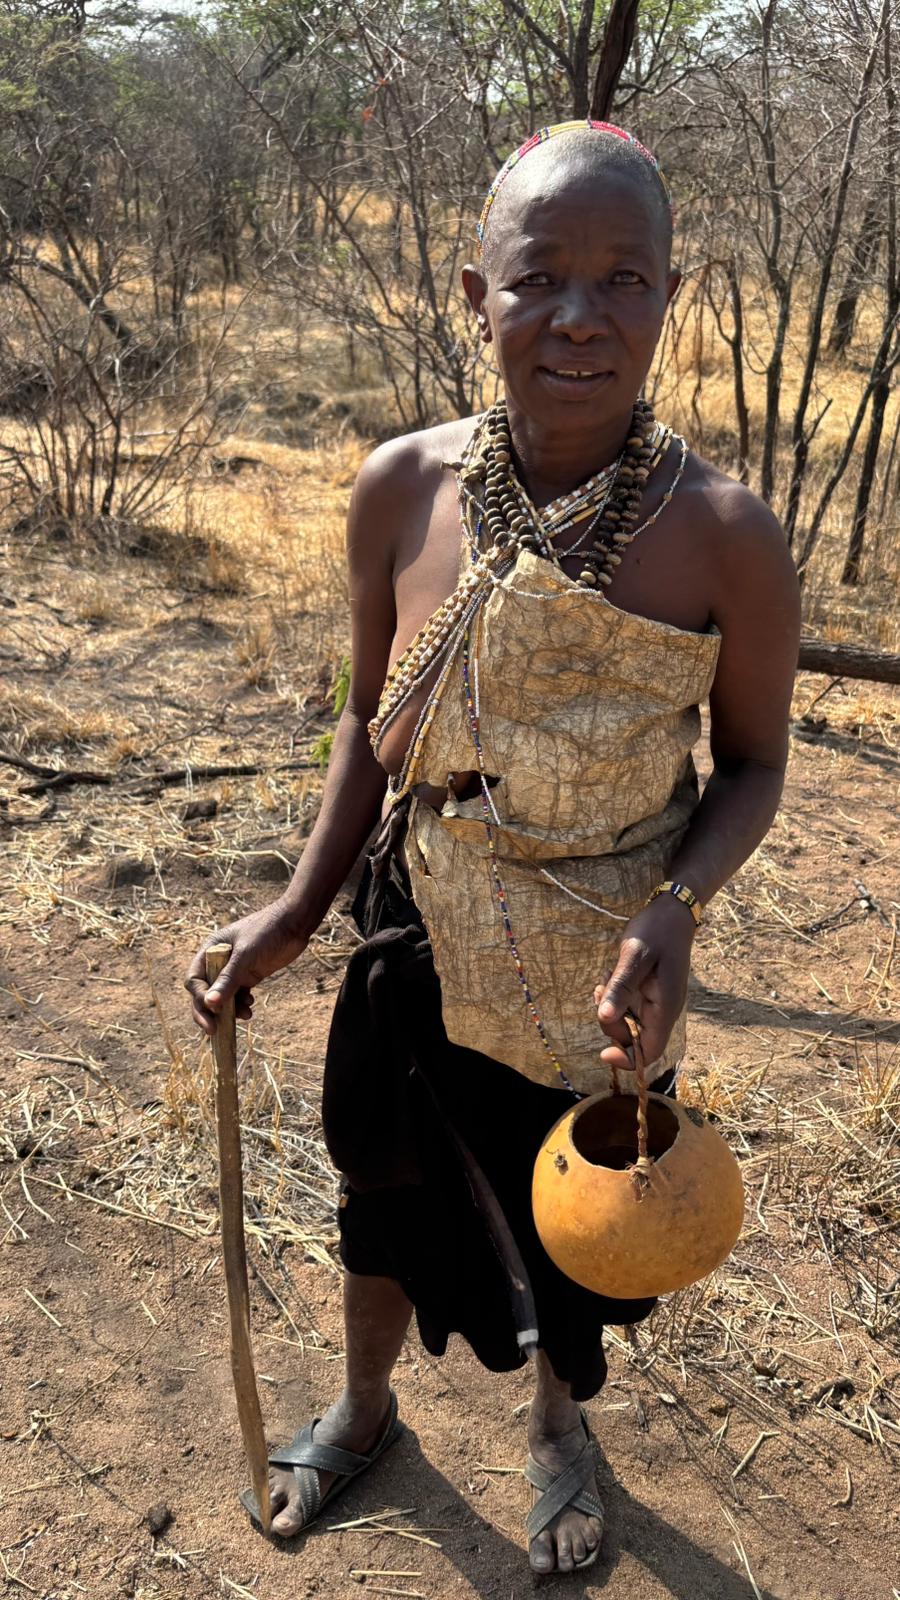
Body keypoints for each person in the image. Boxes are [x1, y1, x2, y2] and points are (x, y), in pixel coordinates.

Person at [186, 120, 800, 1575]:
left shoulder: (724, 534)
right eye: (539, 278)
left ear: (670, 297)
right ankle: (364, 1409)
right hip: (419, 923)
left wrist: (675, 908)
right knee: (384, 1184)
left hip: (605, 964)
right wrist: (297, 907)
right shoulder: (404, 489)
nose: (580, 316)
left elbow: (756, 766)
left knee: (576, 1223)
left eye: (624, 278)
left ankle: (558, 1430)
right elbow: (372, 716)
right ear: (478, 296)